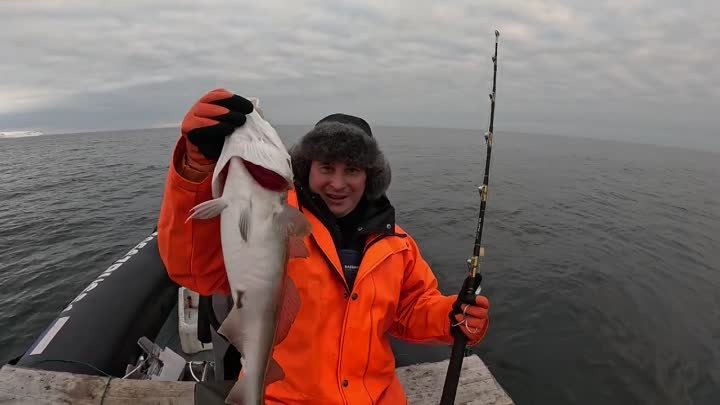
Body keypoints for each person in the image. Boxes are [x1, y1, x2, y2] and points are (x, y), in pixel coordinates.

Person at [157, 88, 490, 404]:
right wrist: (196, 165)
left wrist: (453, 317)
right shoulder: (272, 218)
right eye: (326, 168)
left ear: (369, 176)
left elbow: (410, 309)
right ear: (306, 168)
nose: (338, 183)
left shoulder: (398, 245)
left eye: (352, 170)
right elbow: (195, 267)